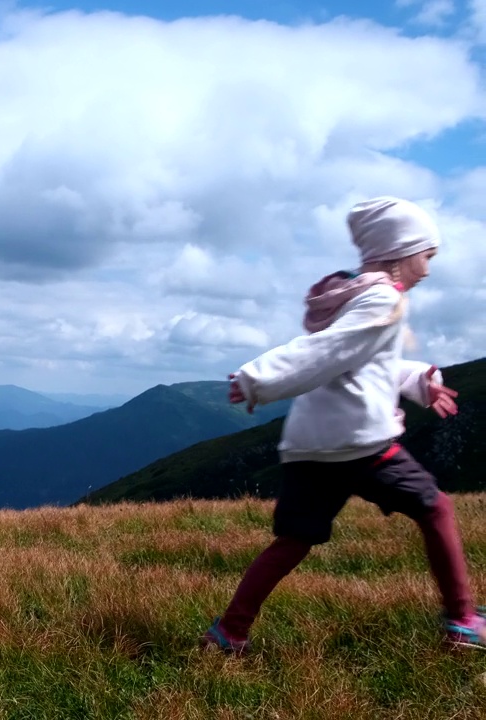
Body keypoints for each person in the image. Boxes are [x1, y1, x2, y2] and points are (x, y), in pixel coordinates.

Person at [201, 196, 479, 655]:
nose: (428, 269)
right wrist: (259, 379)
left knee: (292, 541)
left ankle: (229, 633)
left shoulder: (354, 294)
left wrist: (415, 379)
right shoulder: (384, 299)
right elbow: (332, 351)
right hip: (359, 443)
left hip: (311, 445)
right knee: (437, 509)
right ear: (401, 252)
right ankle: (463, 623)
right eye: (427, 255)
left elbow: (357, 360)